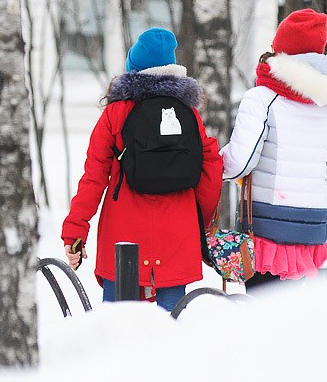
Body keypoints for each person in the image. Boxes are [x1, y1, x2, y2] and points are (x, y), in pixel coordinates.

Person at [62, 27, 223, 312]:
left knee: (117, 328)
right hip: (176, 235)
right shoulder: (188, 114)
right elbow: (210, 167)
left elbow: (94, 176)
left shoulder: (116, 113)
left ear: (132, 69)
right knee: (171, 329)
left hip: (123, 237)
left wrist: (76, 233)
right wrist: (203, 221)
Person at [220, 8, 327, 291]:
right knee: (296, 324)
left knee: (263, 316)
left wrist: (211, 163)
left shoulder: (262, 99)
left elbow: (241, 162)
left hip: (265, 233)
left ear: (282, 50)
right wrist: (311, 197)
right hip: (312, 232)